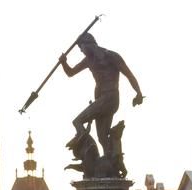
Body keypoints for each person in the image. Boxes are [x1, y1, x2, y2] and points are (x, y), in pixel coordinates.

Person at [59, 33, 143, 175]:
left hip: (110, 97)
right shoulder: (89, 60)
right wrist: (63, 62)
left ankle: (80, 143)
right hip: (101, 100)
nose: (81, 50)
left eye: (81, 47)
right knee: (102, 137)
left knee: (77, 121)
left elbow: (129, 75)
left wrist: (138, 93)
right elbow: (71, 72)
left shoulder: (112, 56)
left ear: (89, 43)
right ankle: (110, 168)